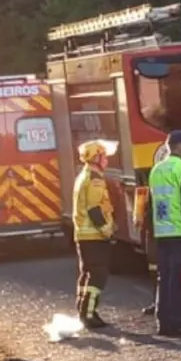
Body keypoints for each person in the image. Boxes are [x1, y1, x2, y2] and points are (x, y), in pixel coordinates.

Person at [145, 131, 181, 337]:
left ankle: (163, 320)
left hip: (162, 231)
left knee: (164, 276)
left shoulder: (156, 169)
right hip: (178, 230)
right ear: (179, 146)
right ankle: (175, 322)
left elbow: (152, 203)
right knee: (176, 278)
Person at [73, 139, 116, 329]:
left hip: (84, 235)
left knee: (88, 273)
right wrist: (107, 232)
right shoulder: (94, 179)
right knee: (98, 274)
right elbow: (94, 209)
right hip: (93, 236)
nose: (106, 160)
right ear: (96, 157)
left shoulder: (84, 175)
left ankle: (84, 309)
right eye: (103, 156)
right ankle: (89, 314)